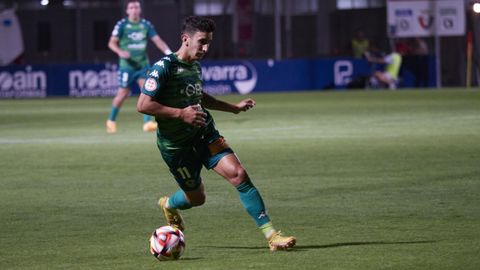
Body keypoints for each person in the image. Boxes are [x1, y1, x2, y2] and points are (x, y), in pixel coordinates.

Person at [136, 16, 296, 251]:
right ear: (185, 39)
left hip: (204, 134)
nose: (205, 48)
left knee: (239, 175)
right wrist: (181, 114)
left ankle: (272, 236)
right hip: (176, 147)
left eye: (208, 42)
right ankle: (169, 204)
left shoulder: (195, 67)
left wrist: (233, 108)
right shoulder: (164, 67)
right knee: (197, 198)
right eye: (201, 42)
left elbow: (200, 97)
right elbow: (143, 104)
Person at [106, 0, 172, 134]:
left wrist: (169, 53)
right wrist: (119, 52)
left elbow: (157, 40)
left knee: (146, 92)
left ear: (140, 9)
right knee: (122, 94)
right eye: (131, 7)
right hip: (127, 66)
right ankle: (111, 121)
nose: (134, 9)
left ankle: (147, 123)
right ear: (127, 10)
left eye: (136, 7)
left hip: (142, 65)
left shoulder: (145, 25)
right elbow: (111, 43)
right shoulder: (122, 25)